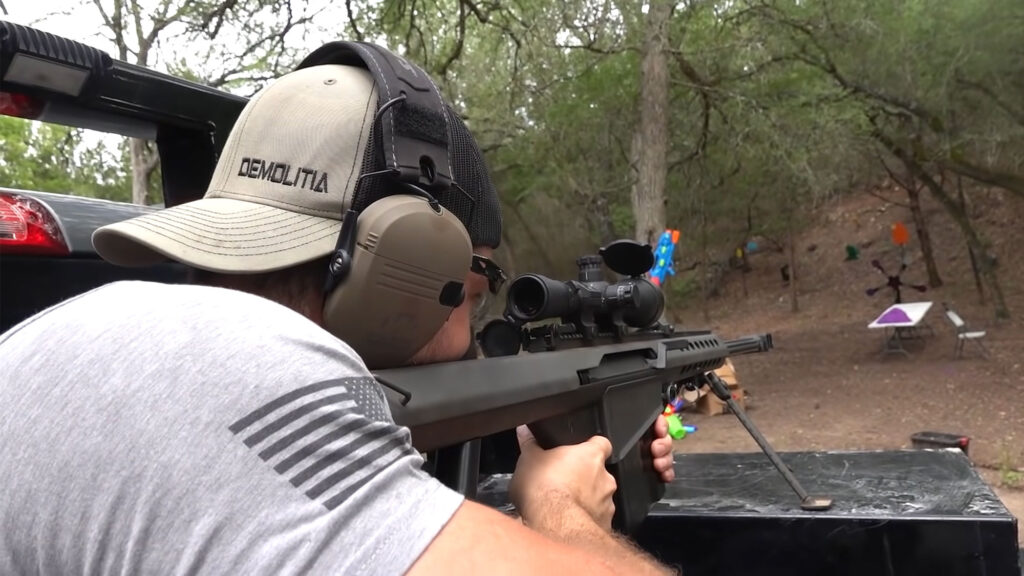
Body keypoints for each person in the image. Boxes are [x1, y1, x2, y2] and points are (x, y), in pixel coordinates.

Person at [0, 48, 677, 575]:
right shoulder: (250, 378)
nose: (471, 336)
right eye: (473, 293)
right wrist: (563, 510)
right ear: (410, 268)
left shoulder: (83, 336)